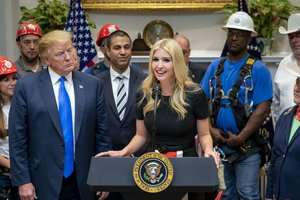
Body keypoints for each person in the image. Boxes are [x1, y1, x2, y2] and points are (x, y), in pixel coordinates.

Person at [97, 38, 219, 200]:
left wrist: (209, 150)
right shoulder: (145, 93)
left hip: (186, 167)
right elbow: (141, 136)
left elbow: (204, 135)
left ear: (176, 62)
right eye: (155, 59)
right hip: (153, 169)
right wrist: (123, 152)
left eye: (166, 60)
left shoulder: (194, 94)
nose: (159, 66)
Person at [9, 30, 112, 200]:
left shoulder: (92, 85)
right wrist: (23, 181)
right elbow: (17, 138)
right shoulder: (27, 87)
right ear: (46, 60)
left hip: (84, 181)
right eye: (60, 54)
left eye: (70, 50)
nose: (68, 57)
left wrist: (103, 177)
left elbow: (102, 135)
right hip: (41, 180)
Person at [200, 11, 273, 200]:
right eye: (231, 32)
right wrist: (210, 131)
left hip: (247, 147)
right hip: (219, 147)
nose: (233, 37)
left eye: (240, 34)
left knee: (247, 194)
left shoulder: (258, 69)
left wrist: (241, 137)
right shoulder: (215, 66)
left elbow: (263, 108)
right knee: (224, 195)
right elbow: (200, 103)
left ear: (249, 37)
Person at [96, 30, 147, 200]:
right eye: (117, 48)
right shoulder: (94, 83)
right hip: (106, 160)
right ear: (107, 51)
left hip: (140, 161)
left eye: (127, 47)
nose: (123, 52)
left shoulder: (146, 82)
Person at [266, 77, 300, 200]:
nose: (297, 89)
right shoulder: (286, 115)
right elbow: (275, 157)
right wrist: (269, 194)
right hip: (280, 192)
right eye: (297, 84)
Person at [273, 13, 300, 123]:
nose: (294, 40)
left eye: (298, 35)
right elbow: (276, 104)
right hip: (286, 131)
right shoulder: (284, 64)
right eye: (291, 36)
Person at [0, 56, 18, 200]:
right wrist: (12, 165)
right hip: (3, 174)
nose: (12, 83)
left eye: (14, 78)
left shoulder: (23, 105)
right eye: (6, 80)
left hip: (24, 170)